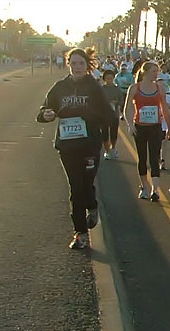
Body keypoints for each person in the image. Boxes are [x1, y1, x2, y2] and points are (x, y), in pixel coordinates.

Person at [36, 47, 115, 249]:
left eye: (81, 63)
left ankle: (93, 205)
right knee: (75, 187)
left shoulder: (94, 87)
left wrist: (87, 115)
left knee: (86, 183)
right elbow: (45, 109)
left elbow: (109, 116)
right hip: (67, 145)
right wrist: (45, 114)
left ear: (87, 65)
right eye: (74, 63)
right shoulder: (60, 87)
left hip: (89, 144)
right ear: (68, 64)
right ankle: (80, 234)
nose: (77, 67)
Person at [124, 62, 170, 202]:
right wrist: (130, 124)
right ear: (144, 72)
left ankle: (155, 189)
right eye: (153, 71)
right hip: (140, 126)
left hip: (155, 126)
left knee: (154, 157)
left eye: (157, 71)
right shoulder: (134, 88)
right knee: (142, 157)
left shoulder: (160, 88)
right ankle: (144, 186)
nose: (156, 74)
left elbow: (165, 108)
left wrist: (169, 127)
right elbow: (127, 108)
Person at [101, 70, 124, 160]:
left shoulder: (117, 89)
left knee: (113, 133)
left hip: (114, 114)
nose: (109, 80)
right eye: (107, 78)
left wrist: (116, 102)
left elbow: (121, 101)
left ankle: (113, 148)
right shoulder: (101, 89)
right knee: (105, 133)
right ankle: (107, 151)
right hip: (104, 115)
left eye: (111, 78)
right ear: (104, 79)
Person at [157, 78, 170, 170]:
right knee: (157, 144)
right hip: (155, 124)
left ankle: (163, 161)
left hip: (165, 125)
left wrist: (166, 109)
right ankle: (157, 160)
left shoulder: (168, 97)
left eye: (163, 86)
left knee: (164, 144)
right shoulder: (153, 96)